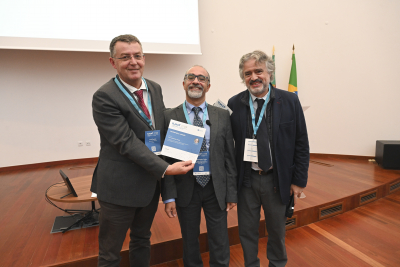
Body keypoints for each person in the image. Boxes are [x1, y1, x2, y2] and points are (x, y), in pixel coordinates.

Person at [91, 34, 194, 267]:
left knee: (141, 240)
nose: (133, 62)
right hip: (118, 190)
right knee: (110, 253)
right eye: (125, 57)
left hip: (148, 186)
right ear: (112, 62)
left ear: (144, 58)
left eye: (137, 56)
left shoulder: (154, 88)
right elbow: (125, 142)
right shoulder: (105, 96)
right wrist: (166, 169)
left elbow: (160, 131)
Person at [227, 50, 309, 267]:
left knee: (277, 231)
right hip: (247, 180)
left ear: (269, 74)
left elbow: (301, 142)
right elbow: (228, 145)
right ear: (243, 77)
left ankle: (278, 264)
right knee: (246, 231)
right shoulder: (234, 104)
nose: (253, 77)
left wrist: (299, 180)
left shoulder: (290, 101)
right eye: (248, 73)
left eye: (258, 71)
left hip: (277, 179)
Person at [162, 65, 237, 267]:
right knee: (189, 238)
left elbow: (229, 156)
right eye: (191, 77)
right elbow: (166, 161)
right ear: (184, 83)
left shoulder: (222, 115)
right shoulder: (169, 116)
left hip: (216, 187)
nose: (196, 81)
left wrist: (231, 192)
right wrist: (168, 196)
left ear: (208, 86)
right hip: (186, 187)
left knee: (220, 238)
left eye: (201, 78)